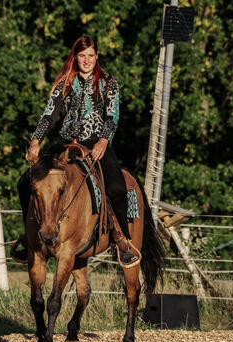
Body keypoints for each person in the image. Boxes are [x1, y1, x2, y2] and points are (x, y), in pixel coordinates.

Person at [13, 35, 139, 266]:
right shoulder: (65, 82)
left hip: (96, 144)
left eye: (91, 55)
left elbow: (112, 117)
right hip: (65, 144)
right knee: (24, 182)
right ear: (76, 57)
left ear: (97, 56)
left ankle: (123, 240)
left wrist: (103, 141)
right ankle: (29, 237)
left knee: (117, 187)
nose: (87, 60)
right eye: (82, 56)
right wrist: (35, 141)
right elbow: (50, 115)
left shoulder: (109, 83)